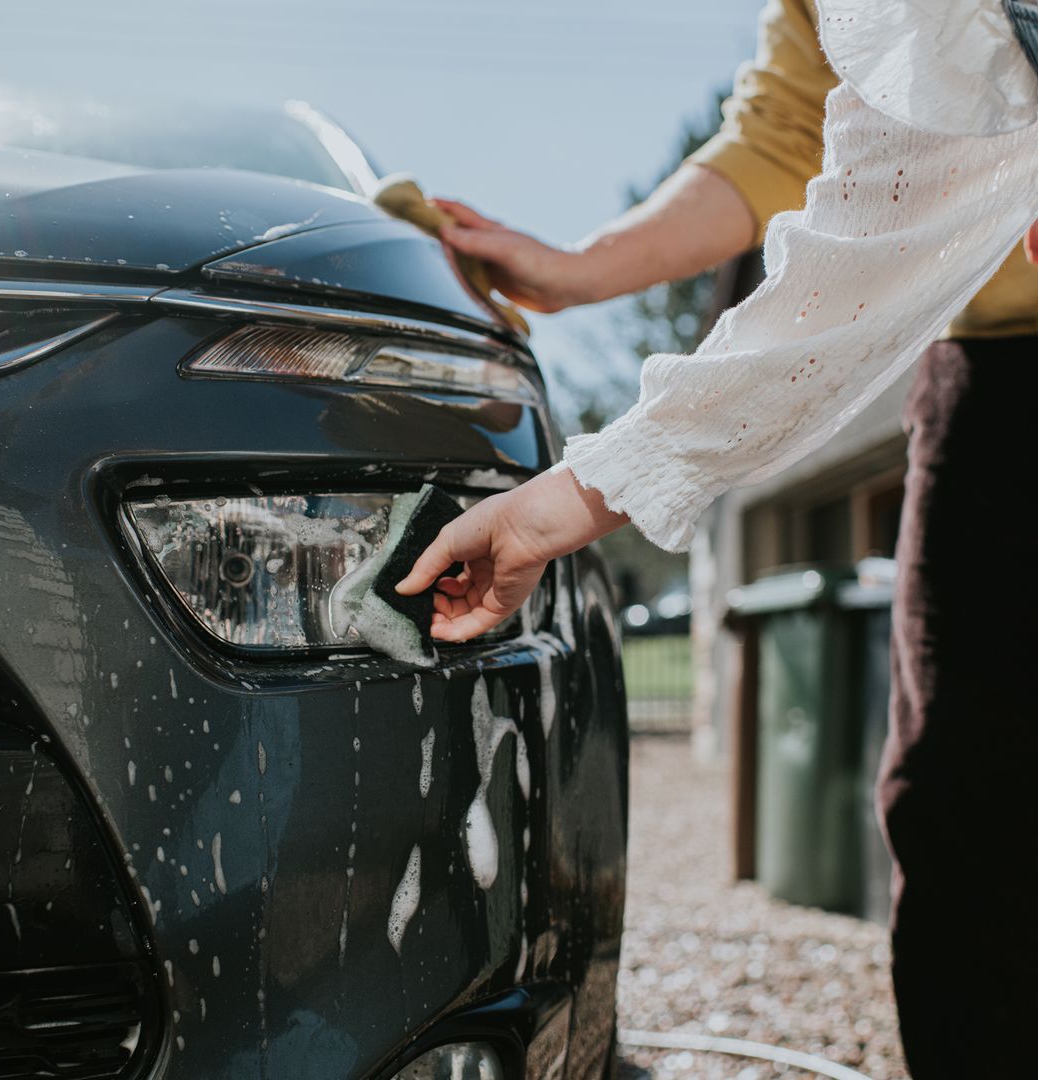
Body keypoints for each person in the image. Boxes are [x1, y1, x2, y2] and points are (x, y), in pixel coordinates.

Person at [396, 1, 1038, 1075]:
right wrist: (577, 271)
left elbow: (894, 222)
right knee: (962, 797)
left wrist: (569, 503)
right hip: (996, 359)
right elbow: (807, 141)